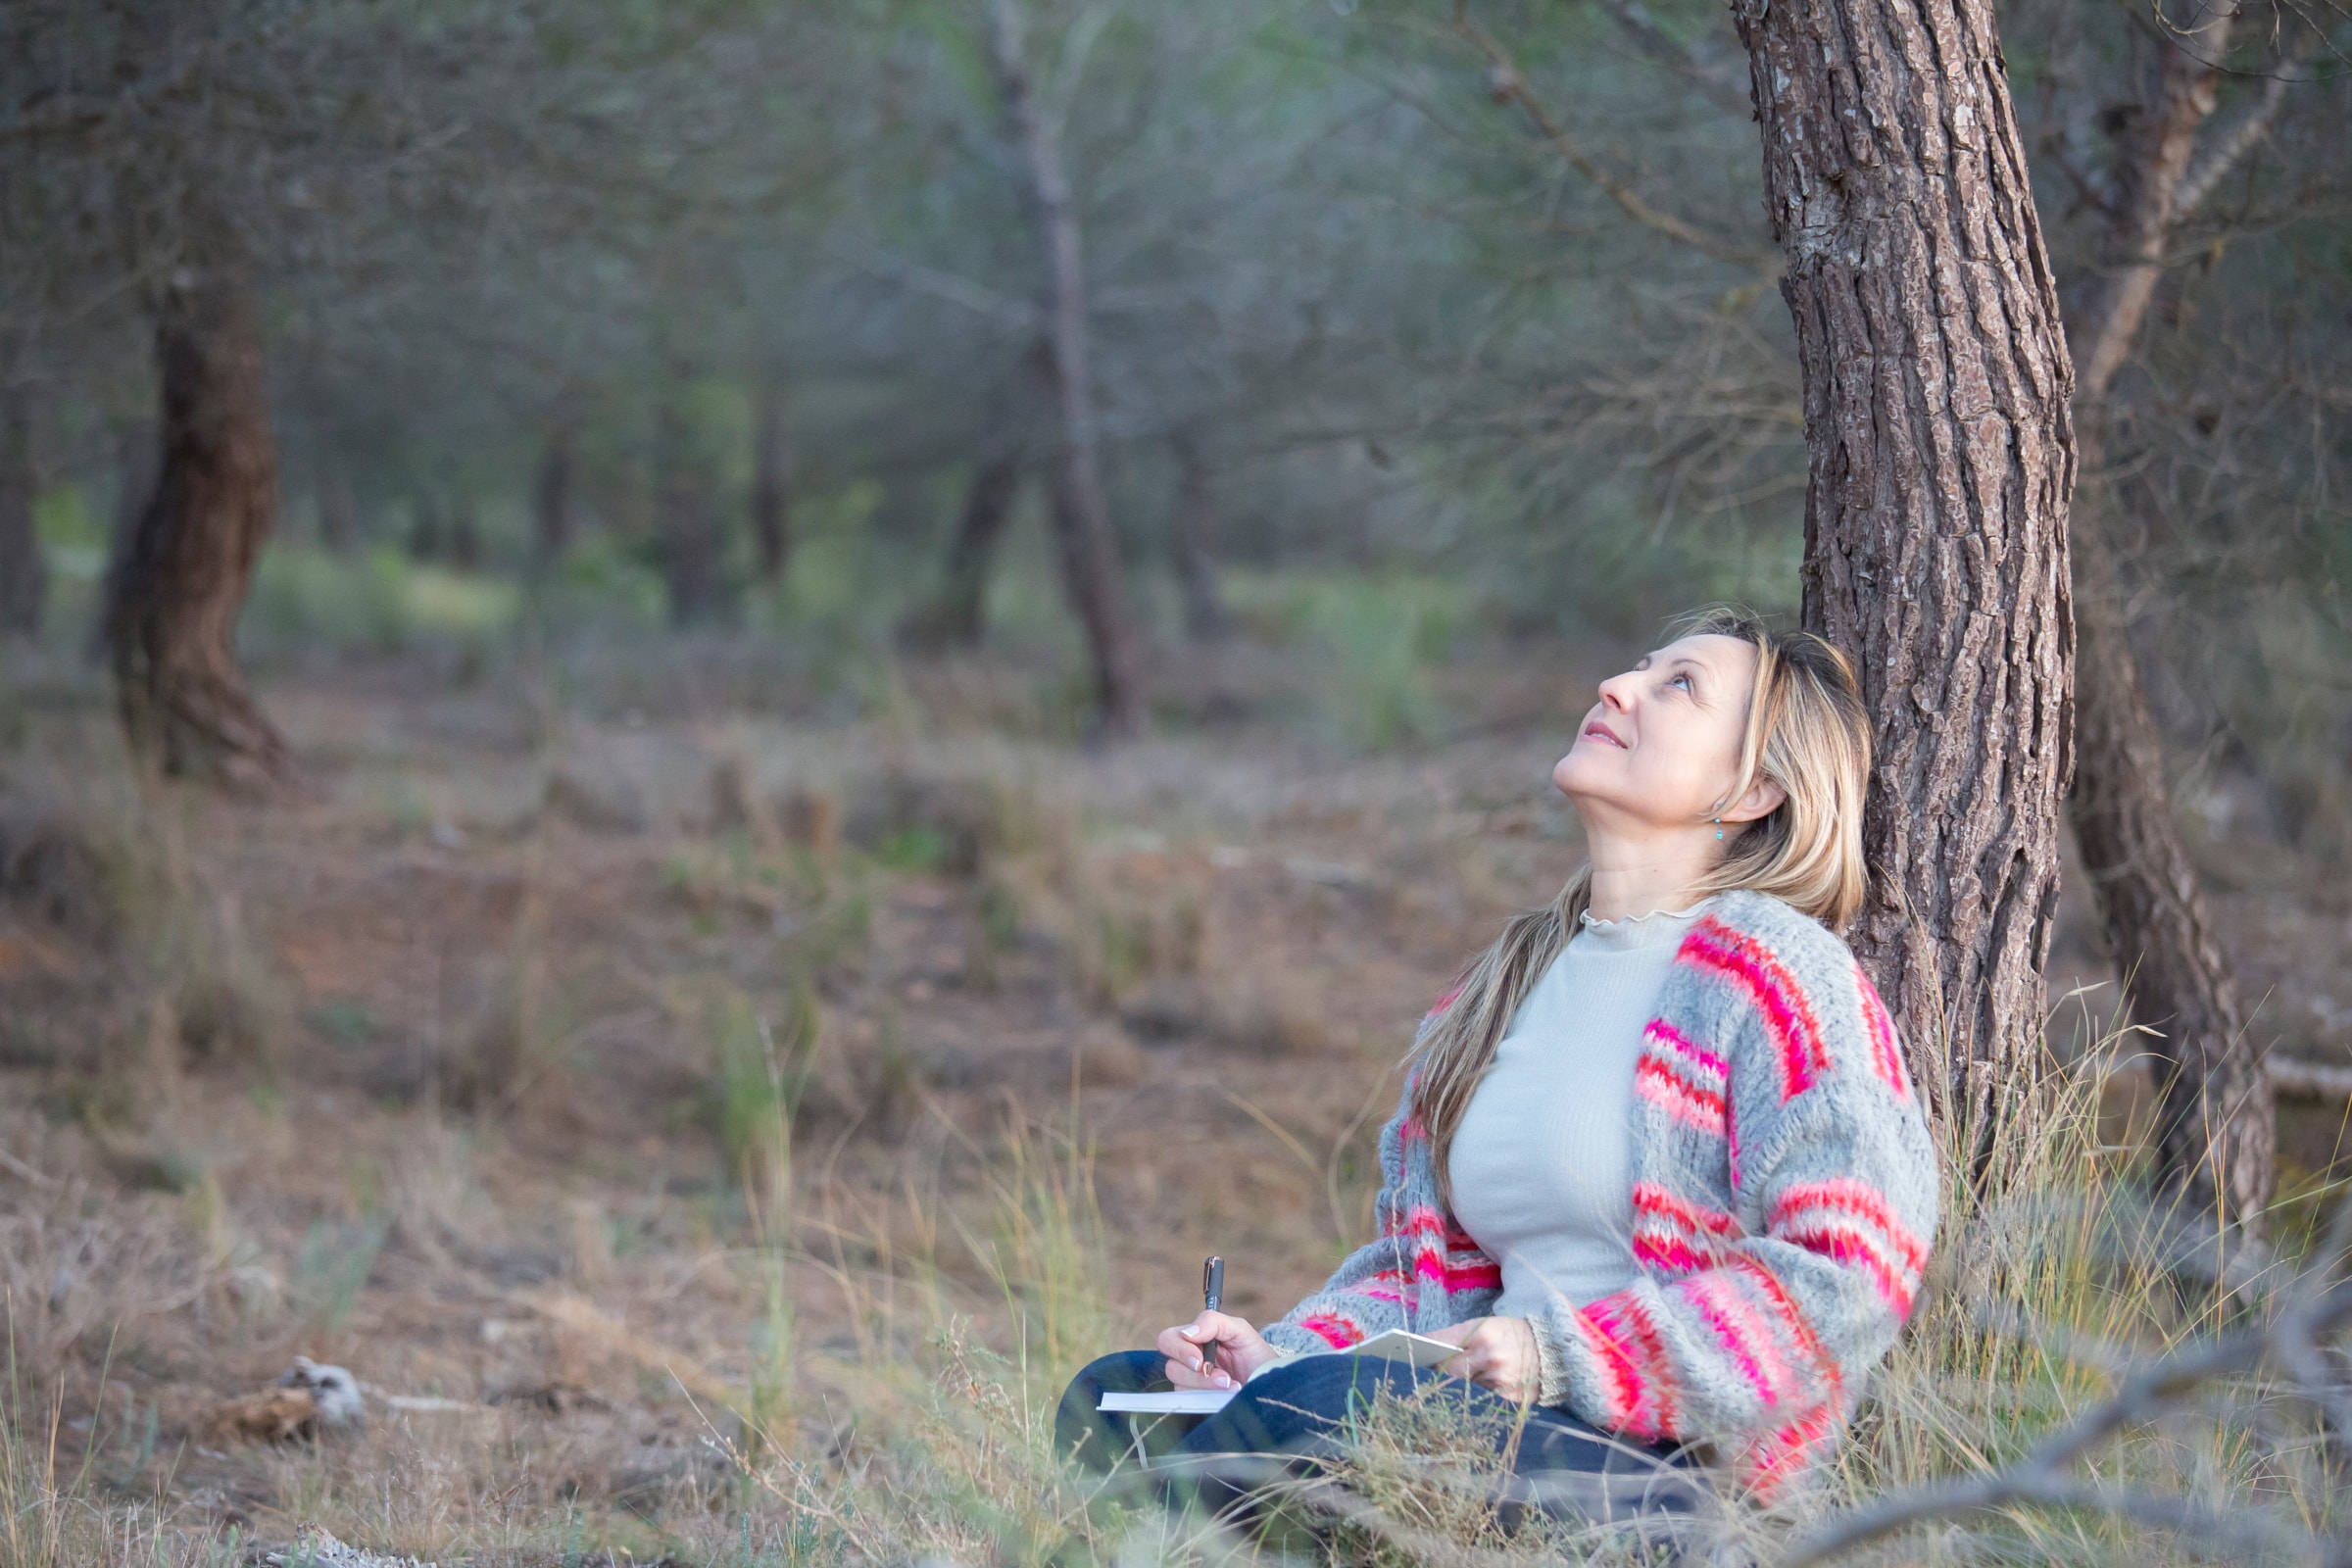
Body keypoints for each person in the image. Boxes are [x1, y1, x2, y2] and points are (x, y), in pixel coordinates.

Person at [1055, 609, 1939, 1521]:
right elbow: (1426, 1279)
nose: (1617, 687)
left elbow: (1850, 1273)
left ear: (1754, 788)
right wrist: (1274, 1357)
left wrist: (1560, 1356)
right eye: (1638, 665)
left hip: (1673, 1476)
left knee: (1312, 1419)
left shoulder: (1781, 980)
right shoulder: (1502, 986)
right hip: (1481, 1425)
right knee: (1119, 1400)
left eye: (1679, 686)